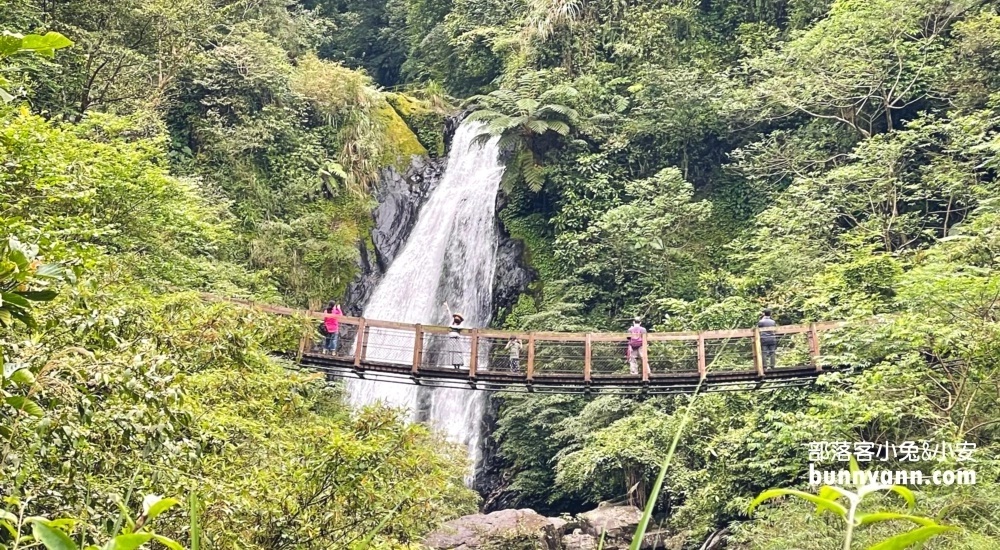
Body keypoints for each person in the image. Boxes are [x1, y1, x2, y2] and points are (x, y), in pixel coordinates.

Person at [443, 302, 464, 369]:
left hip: (456, 339)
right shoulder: (451, 322)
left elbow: (460, 328)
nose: (456, 318)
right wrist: (446, 306)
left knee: (457, 353)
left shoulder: (460, 325)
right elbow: (449, 314)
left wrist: (452, 327)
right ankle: (454, 366)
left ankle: (458, 367)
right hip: (451, 339)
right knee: (452, 353)